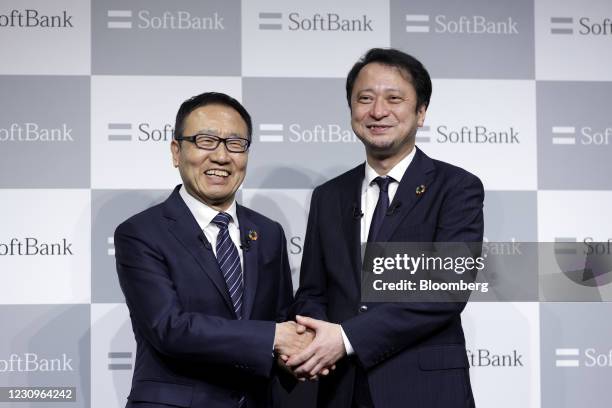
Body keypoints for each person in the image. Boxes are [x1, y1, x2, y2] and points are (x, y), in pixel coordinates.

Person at [287, 48, 484, 407]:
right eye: (365, 99)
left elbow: (444, 290)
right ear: (351, 110)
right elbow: (313, 290)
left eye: (394, 99)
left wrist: (346, 337)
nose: (377, 111)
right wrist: (315, 336)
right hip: (341, 387)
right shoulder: (328, 196)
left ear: (420, 112)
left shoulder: (457, 188)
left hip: (424, 390)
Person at [114, 92, 310, 408]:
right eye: (206, 141)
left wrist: (298, 353)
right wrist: (272, 337)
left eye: (235, 144)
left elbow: (281, 320)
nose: (221, 157)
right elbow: (168, 328)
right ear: (176, 151)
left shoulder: (268, 232)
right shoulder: (140, 233)